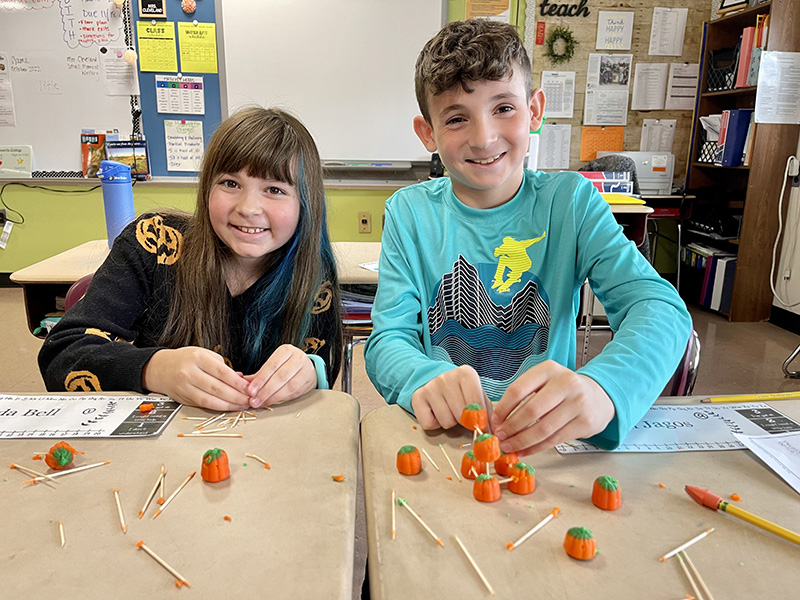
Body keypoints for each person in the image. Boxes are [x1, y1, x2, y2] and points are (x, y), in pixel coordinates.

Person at [364, 19, 691, 454]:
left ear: (535, 110)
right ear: (429, 134)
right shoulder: (409, 212)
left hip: (549, 444)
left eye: (504, 108)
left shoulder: (571, 203)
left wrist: (604, 388)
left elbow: (658, 307)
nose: (484, 138)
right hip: (445, 441)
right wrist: (421, 380)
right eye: (457, 118)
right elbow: (388, 340)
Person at [39, 107, 342, 411]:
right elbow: (61, 355)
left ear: (305, 203)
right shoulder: (153, 243)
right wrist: (156, 368)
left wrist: (310, 369)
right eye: (230, 183)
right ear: (207, 187)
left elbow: (325, 362)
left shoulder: (313, 270)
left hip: (264, 445)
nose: (249, 208)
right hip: (163, 446)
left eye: (275, 189)